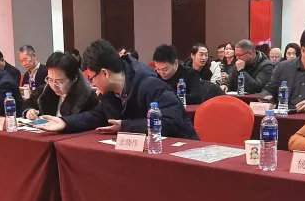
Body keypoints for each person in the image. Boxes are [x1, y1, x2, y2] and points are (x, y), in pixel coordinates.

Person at [37, 39, 196, 139]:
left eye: (92, 78)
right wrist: (65, 122)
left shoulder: (149, 84)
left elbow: (170, 122)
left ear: (105, 73)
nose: (92, 83)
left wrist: (126, 126)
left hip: (181, 148)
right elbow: (98, 115)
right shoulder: (111, 92)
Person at [23, 52, 99, 119]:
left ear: (73, 79)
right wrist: (29, 112)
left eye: (59, 81)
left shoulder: (87, 98)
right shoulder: (43, 92)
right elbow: (26, 106)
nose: (53, 86)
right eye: (50, 79)